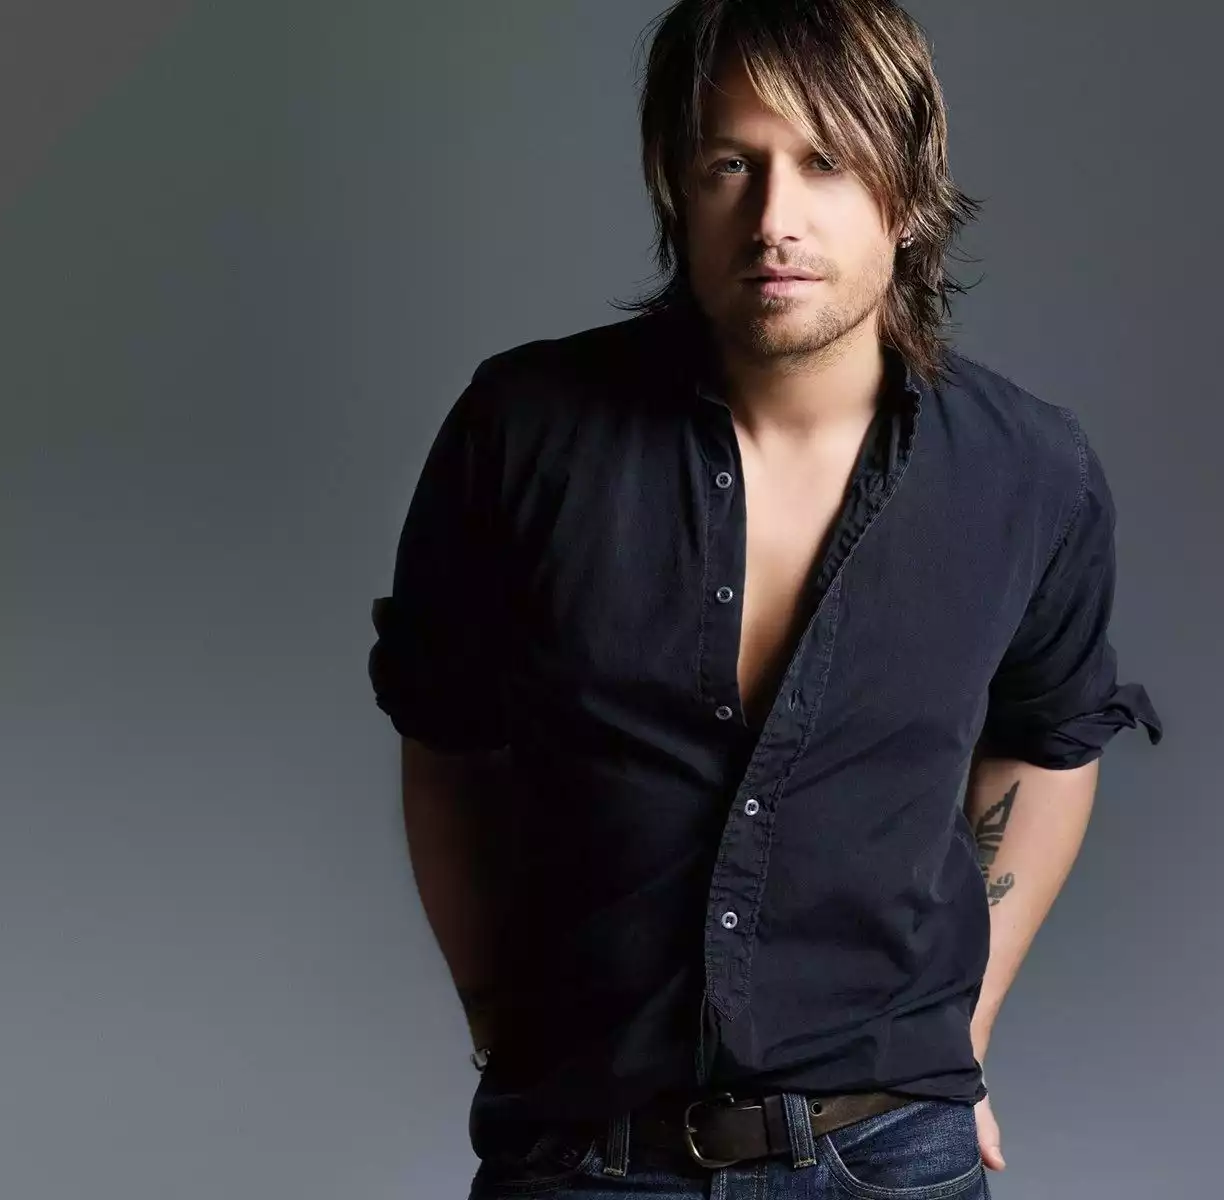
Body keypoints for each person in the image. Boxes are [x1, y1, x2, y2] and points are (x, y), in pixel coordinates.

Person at [367, 1, 1162, 1195]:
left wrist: (962, 1030)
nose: (774, 219)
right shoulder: (522, 434)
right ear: (676, 188)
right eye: (731, 165)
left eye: (825, 161)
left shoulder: (1029, 471)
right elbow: (445, 740)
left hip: (890, 1154)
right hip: (587, 1156)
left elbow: (1051, 740)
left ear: (907, 188)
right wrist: (494, 1013)